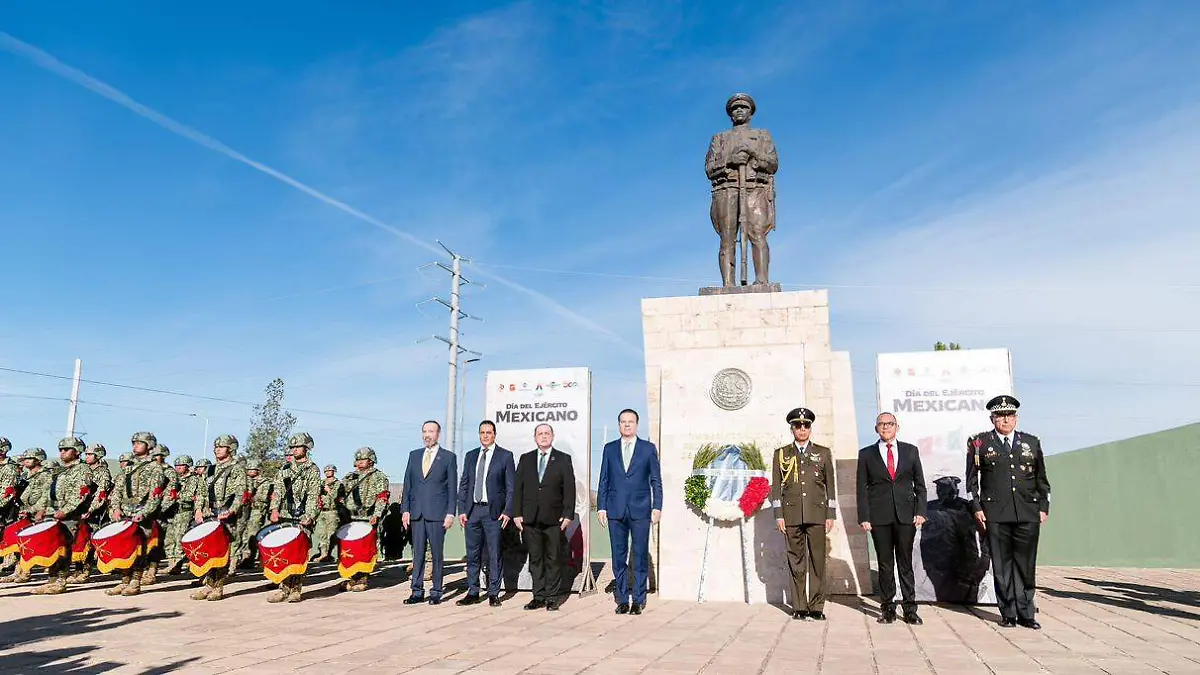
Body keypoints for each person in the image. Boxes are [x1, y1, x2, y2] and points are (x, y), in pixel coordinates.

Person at [966, 395, 1051, 629]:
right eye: (1001, 416)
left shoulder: (1031, 443)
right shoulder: (979, 443)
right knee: (1002, 566)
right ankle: (1008, 613)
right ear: (992, 418)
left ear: (1016, 418)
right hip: (995, 512)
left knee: (1025, 564)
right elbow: (971, 481)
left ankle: (1027, 613)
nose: (1006, 420)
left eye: (1010, 415)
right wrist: (977, 508)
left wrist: (1043, 506)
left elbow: (1042, 479)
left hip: (1027, 511)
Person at [856, 412, 927, 624]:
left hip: (906, 516)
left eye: (889, 424)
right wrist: (864, 517)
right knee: (885, 564)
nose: (885, 427)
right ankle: (887, 609)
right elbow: (861, 488)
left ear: (897, 427)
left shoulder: (910, 451)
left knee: (905, 564)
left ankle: (910, 610)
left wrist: (921, 511)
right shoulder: (866, 454)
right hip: (879, 517)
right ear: (876, 428)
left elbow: (920, 485)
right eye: (881, 424)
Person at [704, 92, 779, 287]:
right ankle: (728, 284)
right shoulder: (719, 139)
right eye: (735, 108)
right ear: (730, 113)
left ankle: (762, 281)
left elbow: (773, 164)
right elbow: (709, 168)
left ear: (750, 112)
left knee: (757, 234)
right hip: (726, 190)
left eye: (743, 108)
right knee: (726, 239)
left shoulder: (762, 136)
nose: (739, 111)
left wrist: (752, 152)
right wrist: (730, 160)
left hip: (755, 188)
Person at [771, 407, 837, 621]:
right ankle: (799, 605)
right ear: (792, 429)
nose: (802, 429)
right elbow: (776, 486)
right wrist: (778, 514)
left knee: (817, 561)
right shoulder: (781, 454)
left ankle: (816, 606)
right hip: (791, 515)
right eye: (798, 425)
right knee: (796, 561)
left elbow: (831, 486)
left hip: (817, 514)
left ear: (810, 428)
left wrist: (831, 514)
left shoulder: (823, 452)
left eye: (806, 425)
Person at [597, 409, 662, 615]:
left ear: (637, 424)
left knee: (640, 555)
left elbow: (656, 480)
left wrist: (657, 506)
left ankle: (639, 599)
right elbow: (603, 480)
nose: (627, 425)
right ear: (619, 425)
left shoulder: (648, 449)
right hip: (615, 510)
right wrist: (601, 506)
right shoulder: (609, 449)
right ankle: (623, 599)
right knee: (618, 556)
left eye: (630, 422)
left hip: (641, 510)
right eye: (623, 422)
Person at [513, 423, 576, 611]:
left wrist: (567, 514)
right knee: (535, 559)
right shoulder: (526, 459)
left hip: (554, 519)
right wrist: (516, 513)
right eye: (540, 433)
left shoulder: (563, 459)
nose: (543, 436)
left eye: (547, 433)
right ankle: (538, 597)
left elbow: (570, 490)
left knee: (553, 559)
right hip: (530, 519)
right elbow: (518, 489)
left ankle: (551, 597)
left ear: (553, 436)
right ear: (535, 437)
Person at [456, 420, 516, 607]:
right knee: (472, 554)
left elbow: (511, 488)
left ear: (494, 434)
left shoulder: (505, 456)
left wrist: (507, 511)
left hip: (494, 513)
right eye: (482, 432)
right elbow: (464, 484)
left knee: (494, 553)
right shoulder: (471, 455)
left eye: (489, 432)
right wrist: (462, 510)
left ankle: (493, 593)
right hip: (473, 512)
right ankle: (473, 591)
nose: (485, 436)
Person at [29, 437, 96, 594]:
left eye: (66, 449)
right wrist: (40, 509)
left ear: (77, 451)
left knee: (63, 547)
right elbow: (48, 492)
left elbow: (82, 493)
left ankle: (60, 581)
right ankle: (51, 580)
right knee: (51, 547)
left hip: (68, 516)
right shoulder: (59, 470)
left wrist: (66, 510)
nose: (62, 452)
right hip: (52, 513)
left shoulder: (83, 470)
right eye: (61, 449)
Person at [402, 421, 457, 605]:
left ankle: (436, 591)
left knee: (436, 554)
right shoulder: (414, 455)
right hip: (417, 513)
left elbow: (452, 488)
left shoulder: (448, 457)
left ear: (438, 434)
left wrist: (450, 513)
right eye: (424, 431)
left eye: (431, 431)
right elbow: (408, 484)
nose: (427, 435)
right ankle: (416, 591)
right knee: (417, 554)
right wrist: (405, 510)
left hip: (437, 514)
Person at [107, 432, 168, 596]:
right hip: (125, 513)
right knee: (124, 548)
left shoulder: (155, 468)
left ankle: (135, 581)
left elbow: (156, 495)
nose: (135, 446)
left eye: (139, 443)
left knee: (139, 548)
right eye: (133, 443)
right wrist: (115, 508)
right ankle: (124, 580)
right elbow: (117, 491)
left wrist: (145, 512)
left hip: (142, 514)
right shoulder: (128, 468)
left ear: (149, 446)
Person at [192, 435, 249, 601]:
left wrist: (232, 510)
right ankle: (208, 585)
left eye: (222, 446)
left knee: (222, 551)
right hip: (209, 514)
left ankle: (218, 587)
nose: (217, 449)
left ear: (230, 449)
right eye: (216, 446)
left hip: (226, 515)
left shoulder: (236, 469)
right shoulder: (209, 470)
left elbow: (240, 493)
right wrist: (198, 510)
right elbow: (201, 492)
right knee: (208, 550)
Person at [267, 432, 322, 603]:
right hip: (285, 515)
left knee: (298, 553)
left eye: (297, 447)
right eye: (292, 447)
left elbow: (314, 494)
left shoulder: (312, 469)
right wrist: (274, 509)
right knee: (284, 552)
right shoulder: (284, 470)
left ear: (306, 448)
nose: (294, 450)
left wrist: (310, 515)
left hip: (303, 516)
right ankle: (283, 588)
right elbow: (277, 492)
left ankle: (296, 589)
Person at [339, 447, 389, 591]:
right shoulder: (350, 477)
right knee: (350, 549)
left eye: (363, 459)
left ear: (371, 460)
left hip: (368, 517)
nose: (360, 462)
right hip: (351, 518)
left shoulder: (379, 477)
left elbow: (382, 497)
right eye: (358, 459)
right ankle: (352, 577)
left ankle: (362, 579)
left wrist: (377, 514)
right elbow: (341, 494)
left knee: (364, 549)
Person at [163, 454, 202, 575]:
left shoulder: (193, 479)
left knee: (179, 537)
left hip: (184, 511)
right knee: (169, 538)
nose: (178, 467)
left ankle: (177, 564)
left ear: (188, 466)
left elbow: (191, 495)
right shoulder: (174, 479)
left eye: (181, 465)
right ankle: (171, 562)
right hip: (172, 511)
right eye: (177, 465)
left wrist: (178, 495)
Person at [241, 458, 271, 567]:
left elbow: (263, 497)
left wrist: (251, 495)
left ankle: (252, 558)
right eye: (248, 469)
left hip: (257, 510)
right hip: (246, 510)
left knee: (253, 534)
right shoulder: (246, 481)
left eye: (252, 469)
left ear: (258, 470)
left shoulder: (265, 482)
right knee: (244, 534)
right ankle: (245, 557)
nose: (249, 471)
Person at [0, 437, 21, 574]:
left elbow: (7, 493)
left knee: (8, 536)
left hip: (5, 509)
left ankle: (15, 565)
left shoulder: (9, 468)